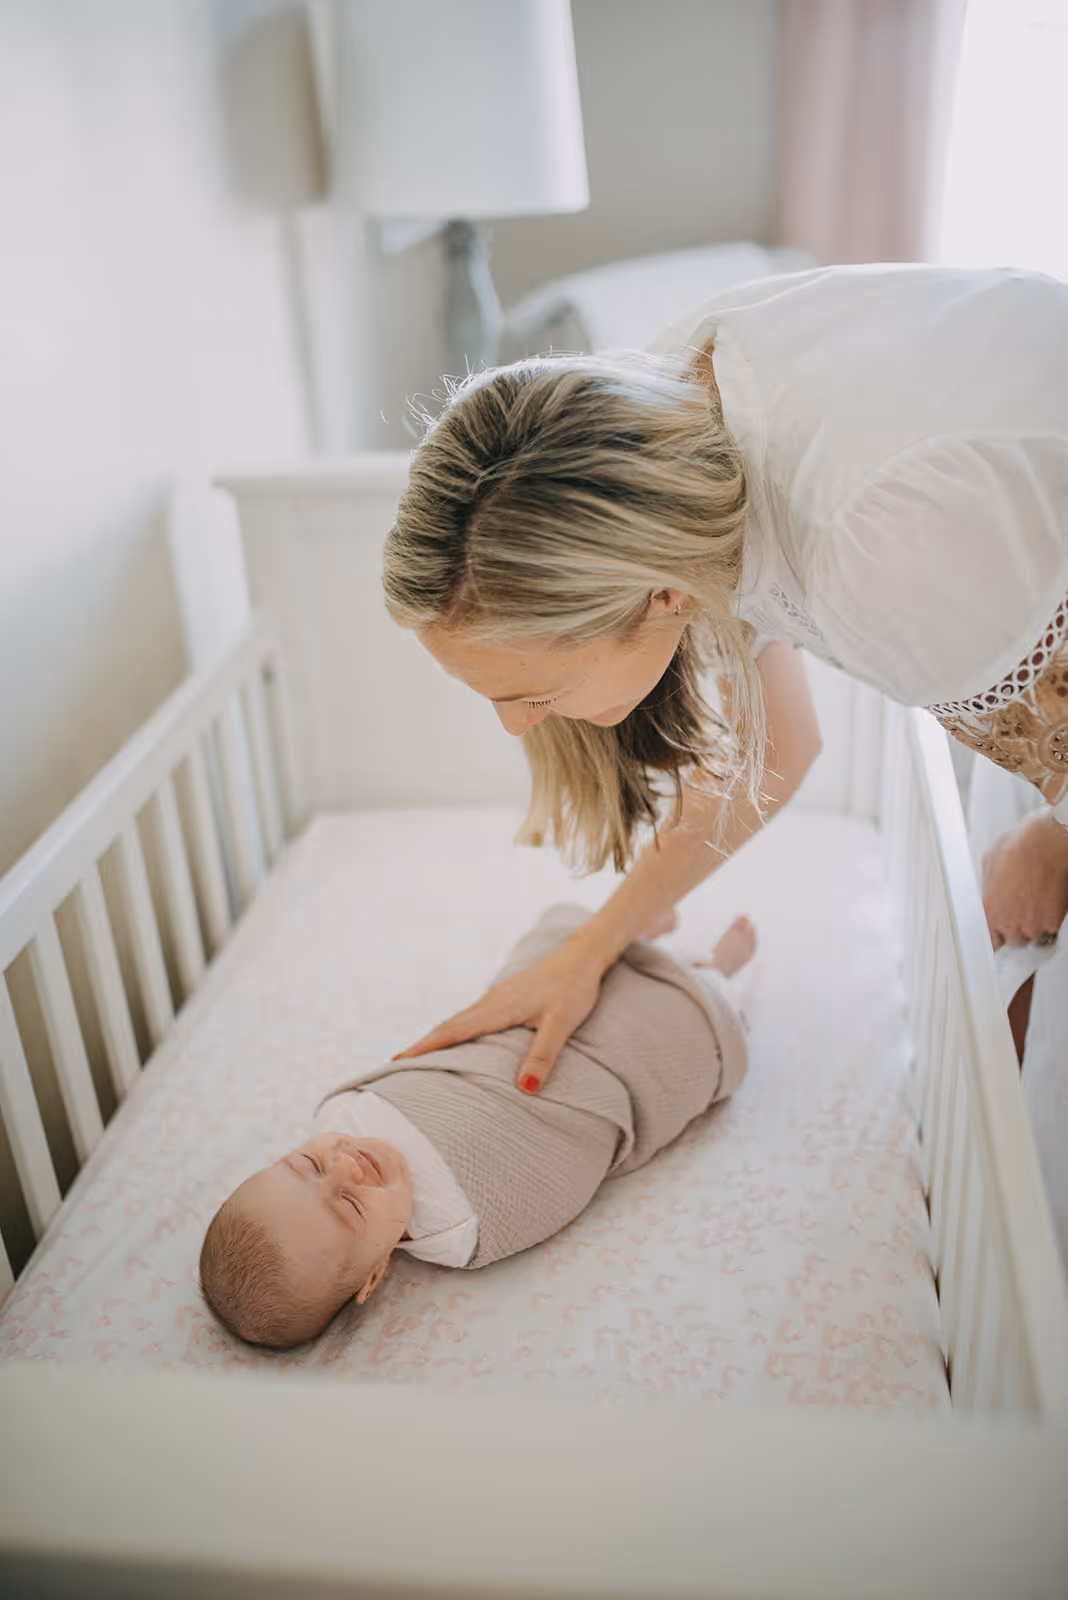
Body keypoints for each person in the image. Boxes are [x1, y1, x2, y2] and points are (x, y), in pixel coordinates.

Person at [381, 263, 1068, 1260]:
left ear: (660, 598)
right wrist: (590, 948)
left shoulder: (880, 545)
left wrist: (1055, 836)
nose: (517, 728)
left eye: (531, 691)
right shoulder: (665, 423)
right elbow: (778, 746)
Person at [200, 906, 755, 1349]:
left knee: (542, 962)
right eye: (348, 1206)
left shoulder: (344, 1115)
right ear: (373, 1277)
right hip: (597, 1078)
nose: (344, 1165)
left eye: (308, 1164)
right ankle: (714, 968)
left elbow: (427, 1060)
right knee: (666, 1038)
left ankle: (635, 924)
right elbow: (564, 1172)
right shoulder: (461, 1231)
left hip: (503, 1040)